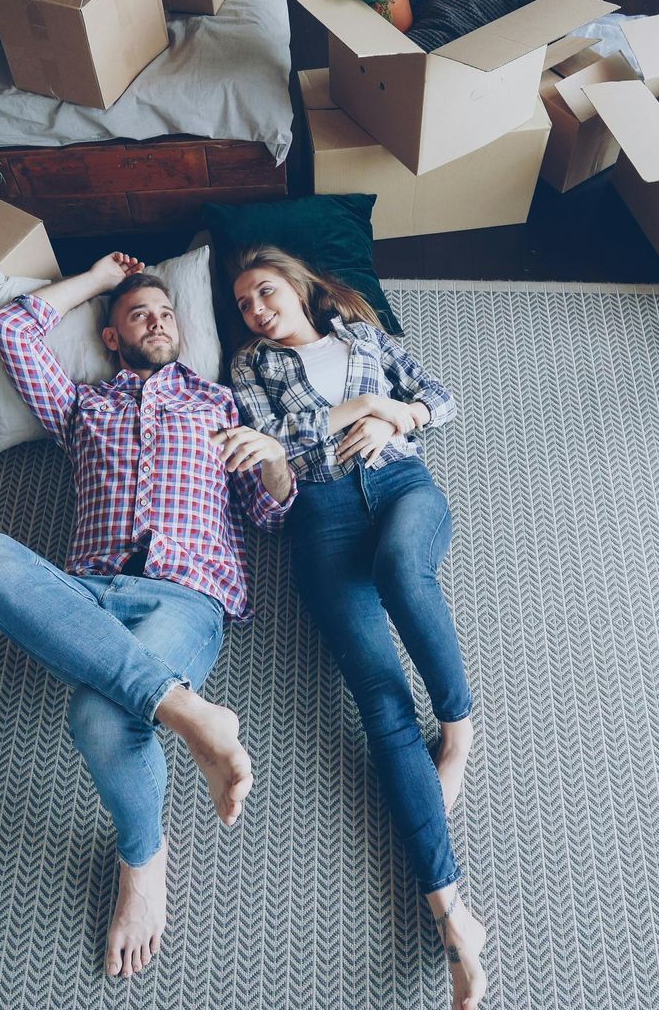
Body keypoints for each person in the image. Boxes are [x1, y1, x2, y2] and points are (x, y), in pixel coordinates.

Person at [0, 252, 295, 980]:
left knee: (98, 716)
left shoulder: (219, 405)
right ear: (112, 337)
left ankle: (142, 862)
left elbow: (269, 515)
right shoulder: (81, 407)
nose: (159, 323)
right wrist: (100, 281)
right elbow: (13, 331)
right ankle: (190, 712)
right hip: (86, 590)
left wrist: (274, 459)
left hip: (186, 597)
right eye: (140, 316)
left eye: (167, 313)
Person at [227, 245, 488, 1010]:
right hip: (323, 520)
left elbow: (440, 398)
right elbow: (277, 446)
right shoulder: (249, 367)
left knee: (403, 569)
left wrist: (401, 414)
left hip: (402, 484)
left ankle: (460, 732)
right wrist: (363, 409)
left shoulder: (364, 337)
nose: (256, 310)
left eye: (265, 292)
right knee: (379, 703)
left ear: (298, 285)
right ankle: (452, 916)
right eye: (243, 304)